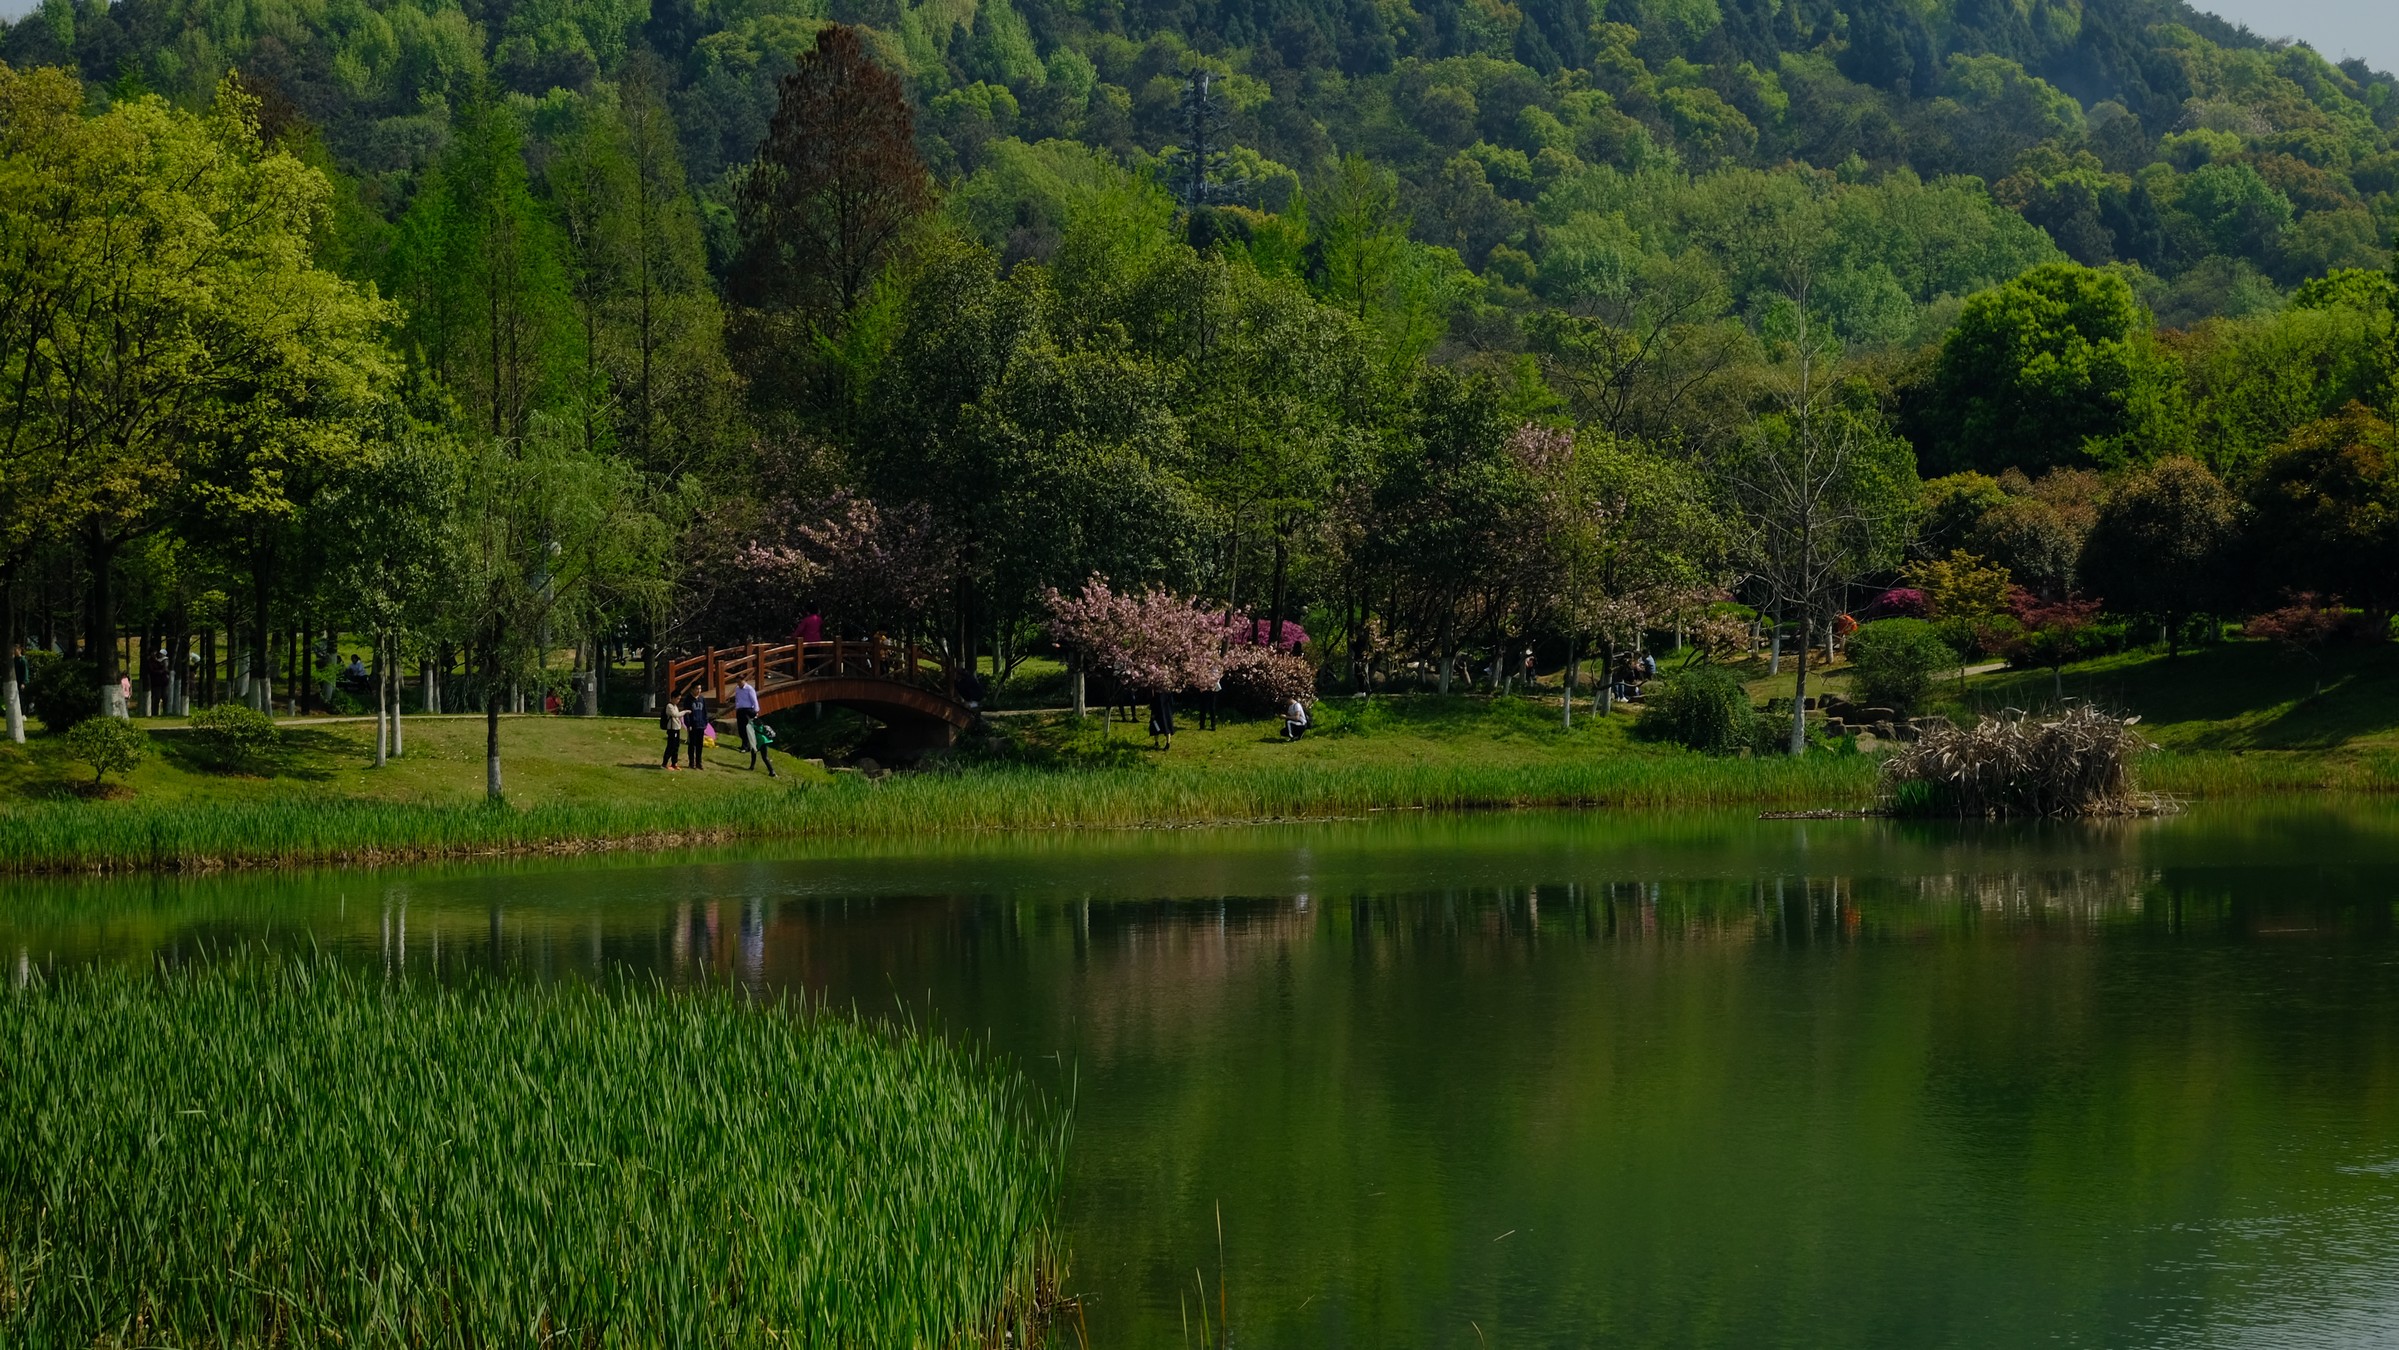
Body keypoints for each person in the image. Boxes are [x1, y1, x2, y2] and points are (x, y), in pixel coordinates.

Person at [734, 677, 760, 765]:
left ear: (744, 680)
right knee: (740, 728)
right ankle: (744, 744)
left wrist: (756, 710)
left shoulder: (749, 689)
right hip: (740, 709)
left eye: (740, 681)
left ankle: (746, 746)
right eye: (737, 682)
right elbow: (737, 698)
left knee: (746, 728)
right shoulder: (737, 689)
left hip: (747, 709)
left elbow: (754, 700)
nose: (739, 683)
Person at [684, 686, 708, 770]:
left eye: (700, 689)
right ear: (692, 689)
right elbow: (686, 713)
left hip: (701, 725)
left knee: (699, 745)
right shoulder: (688, 699)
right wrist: (688, 724)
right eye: (697, 689)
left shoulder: (702, 699)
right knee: (692, 744)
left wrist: (705, 723)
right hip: (692, 725)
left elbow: (705, 711)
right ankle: (691, 762)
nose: (699, 690)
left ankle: (699, 762)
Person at [661, 695, 683, 770]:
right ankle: (664, 764)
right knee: (670, 746)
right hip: (672, 729)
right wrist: (685, 712)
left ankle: (674, 763)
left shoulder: (675, 706)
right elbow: (675, 715)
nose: (678, 700)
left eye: (679, 699)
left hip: (677, 728)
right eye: (677, 698)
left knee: (676, 746)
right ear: (673, 698)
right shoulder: (669, 706)